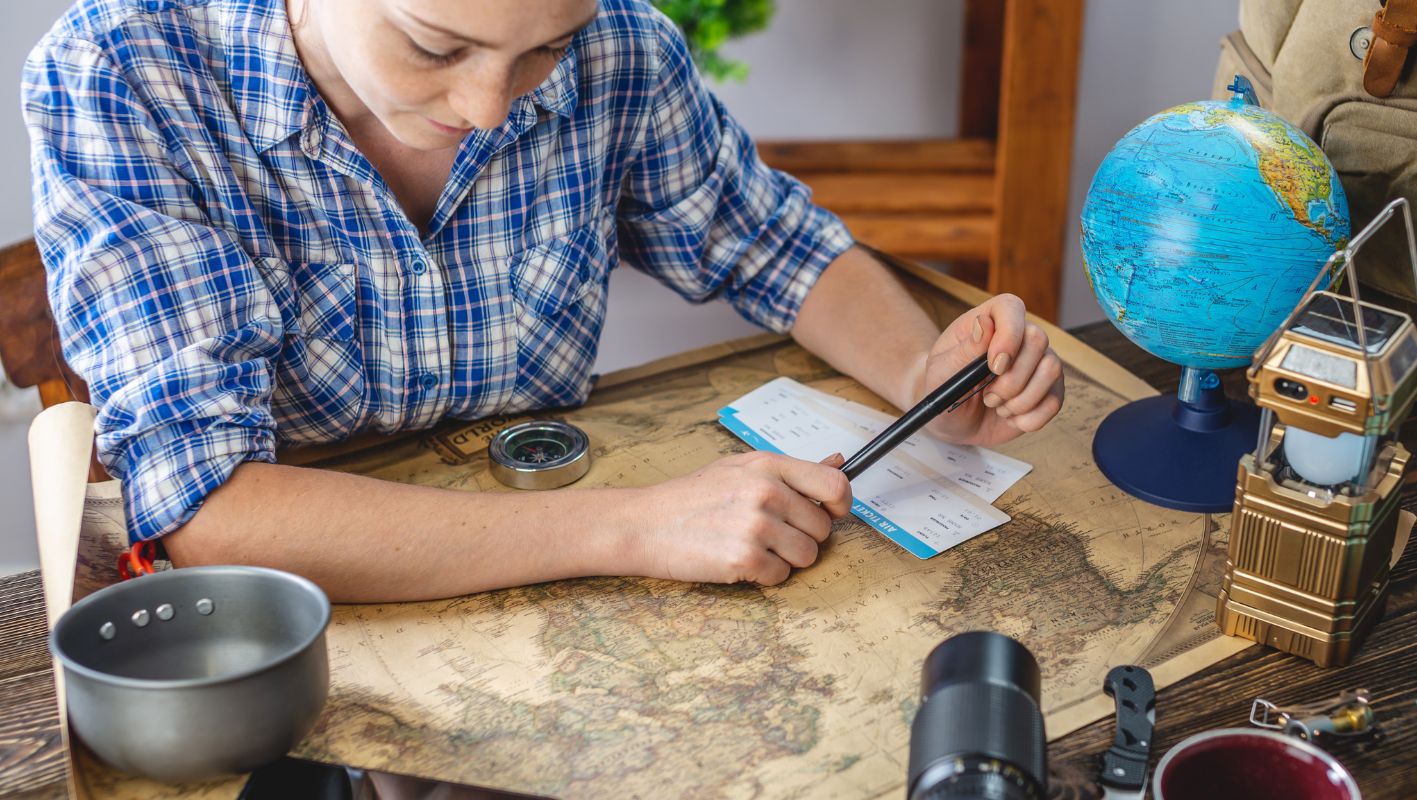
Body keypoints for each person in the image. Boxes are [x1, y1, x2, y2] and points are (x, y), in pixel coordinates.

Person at [23, 0, 1066, 602]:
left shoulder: (623, 47)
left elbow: (782, 249)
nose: (486, 106)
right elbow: (207, 510)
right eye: (434, 45)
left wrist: (922, 374)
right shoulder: (121, 72)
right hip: (305, 620)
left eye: (543, 49)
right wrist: (631, 531)